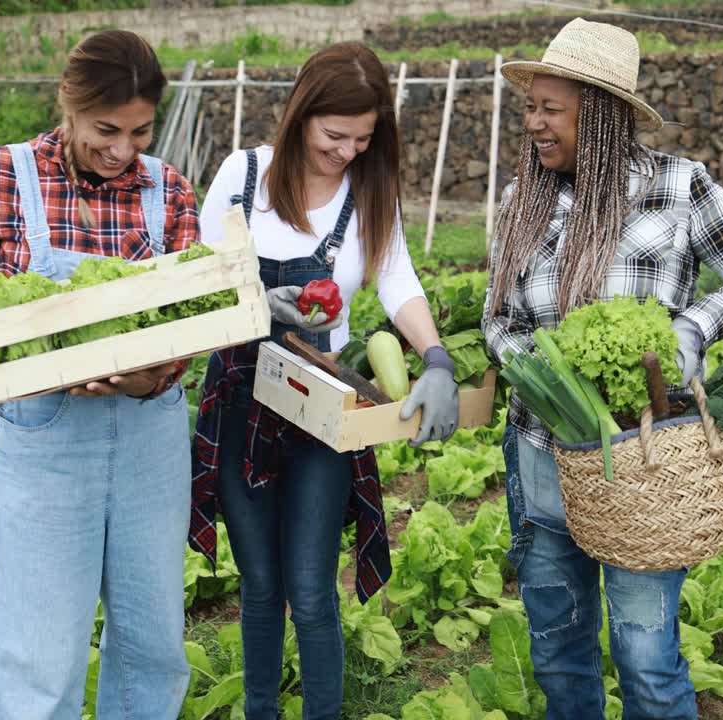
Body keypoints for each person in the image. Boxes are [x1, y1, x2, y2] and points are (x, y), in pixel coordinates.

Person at [483, 18, 723, 720]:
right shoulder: (518, 200)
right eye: (529, 106)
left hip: (647, 468)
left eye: (550, 108)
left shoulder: (679, 186)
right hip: (542, 455)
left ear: (599, 115)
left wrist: (693, 326)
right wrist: (539, 371)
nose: (533, 122)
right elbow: (496, 320)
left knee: (647, 662)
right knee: (559, 655)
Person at [0, 30, 199, 720]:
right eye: (106, 129)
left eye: (139, 131)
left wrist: (154, 372)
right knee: (37, 651)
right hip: (43, 438)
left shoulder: (170, 190)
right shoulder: (6, 175)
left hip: (149, 440)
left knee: (151, 642)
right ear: (67, 106)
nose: (122, 149)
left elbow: (196, 312)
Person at [190, 42, 460, 719]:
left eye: (363, 140)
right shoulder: (242, 175)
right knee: (260, 585)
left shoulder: (369, 190)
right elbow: (197, 279)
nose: (347, 152)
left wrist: (437, 359)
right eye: (335, 136)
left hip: (321, 407)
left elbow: (398, 283)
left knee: (311, 590)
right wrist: (253, 302)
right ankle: (260, 711)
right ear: (302, 116)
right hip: (240, 396)